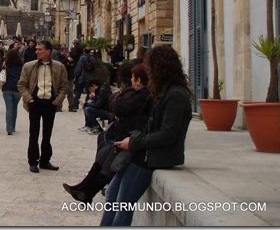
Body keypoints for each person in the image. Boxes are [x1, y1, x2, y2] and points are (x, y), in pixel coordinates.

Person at [100, 45, 193, 226]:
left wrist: (134, 142)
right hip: (143, 152)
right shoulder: (162, 92)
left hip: (154, 156)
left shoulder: (175, 95)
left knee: (124, 206)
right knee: (111, 194)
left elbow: (167, 134)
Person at [64, 64, 150, 203]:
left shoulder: (140, 94)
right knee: (103, 155)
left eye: (135, 77)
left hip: (129, 135)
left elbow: (119, 106)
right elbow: (114, 104)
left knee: (109, 161)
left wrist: (116, 100)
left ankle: (88, 192)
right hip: (123, 133)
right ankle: (83, 187)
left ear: (138, 80)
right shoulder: (132, 93)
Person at [17, 40, 70, 173]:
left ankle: (45, 160)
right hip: (35, 102)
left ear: (48, 51)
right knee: (33, 133)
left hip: (50, 103)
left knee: (47, 133)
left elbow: (64, 86)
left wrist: (57, 101)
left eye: (40, 49)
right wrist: (29, 99)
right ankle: (33, 161)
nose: (37, 52)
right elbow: (21, 84)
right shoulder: (29, 66)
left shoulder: (59, 67)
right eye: (37, 49)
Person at [2, 47, 23, 135]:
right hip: (17, 89)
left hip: (7, 88)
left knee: (9, 108)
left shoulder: (5, 64)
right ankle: (13, 126)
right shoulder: (21, 65)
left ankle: (9, 128)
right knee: (14, 108)